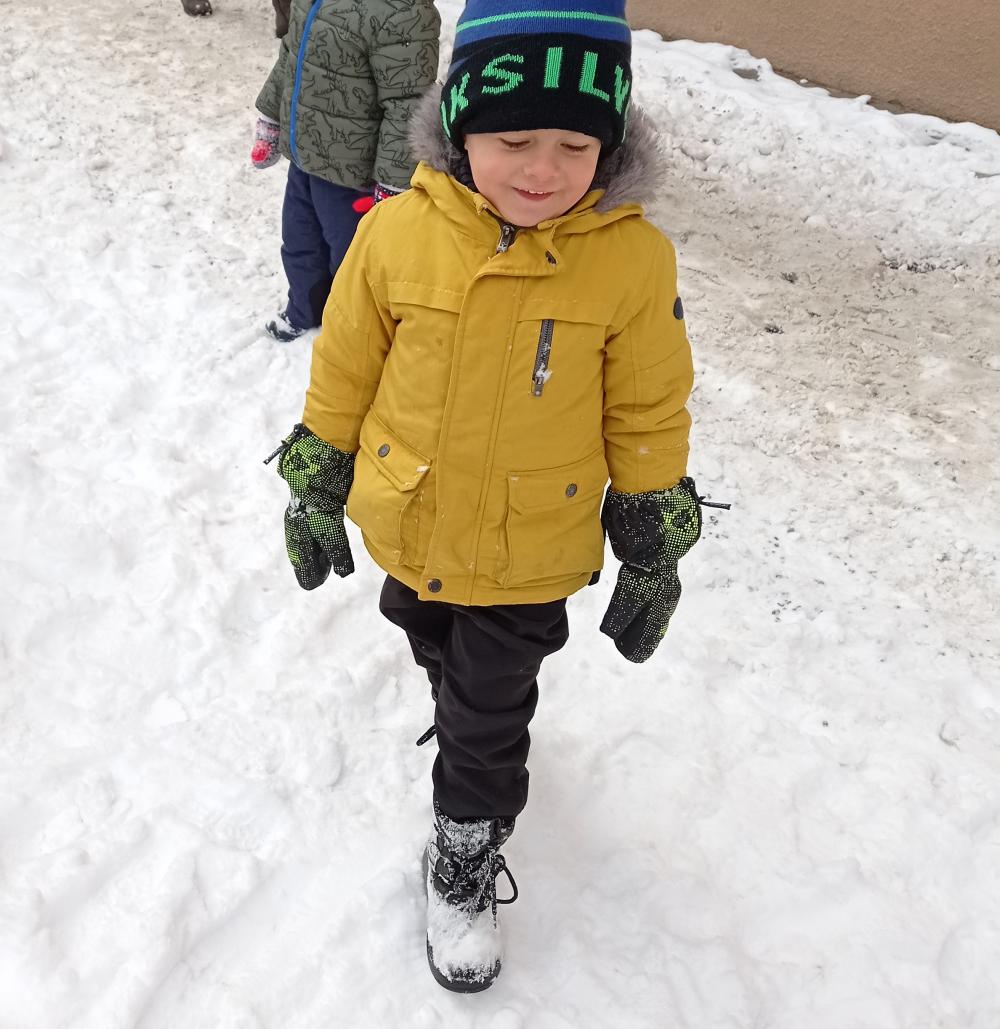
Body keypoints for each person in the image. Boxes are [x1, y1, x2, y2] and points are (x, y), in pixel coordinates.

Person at [266, 0, 715, 992]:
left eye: (575, 144)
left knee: (489, 708)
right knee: (427, 635)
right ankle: (453, 696)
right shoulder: (397, 235)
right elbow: (345, 367)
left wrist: (653, 535)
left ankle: (465, 847)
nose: (543, 170)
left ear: (611, 144)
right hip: (413, 517)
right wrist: (317, 477)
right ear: (461, 126)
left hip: (531, 544)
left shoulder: (631, 260)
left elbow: (648, 405)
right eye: (514, 141)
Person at [251, 0, 440, 341]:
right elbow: (291, 56)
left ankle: (354, 334)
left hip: (354, 177)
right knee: (299, 242)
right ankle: (304, 310)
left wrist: (393, 184)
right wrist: (270, 116)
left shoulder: (402, 11)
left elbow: (408, 103)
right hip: (304, 158)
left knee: (352, 261)